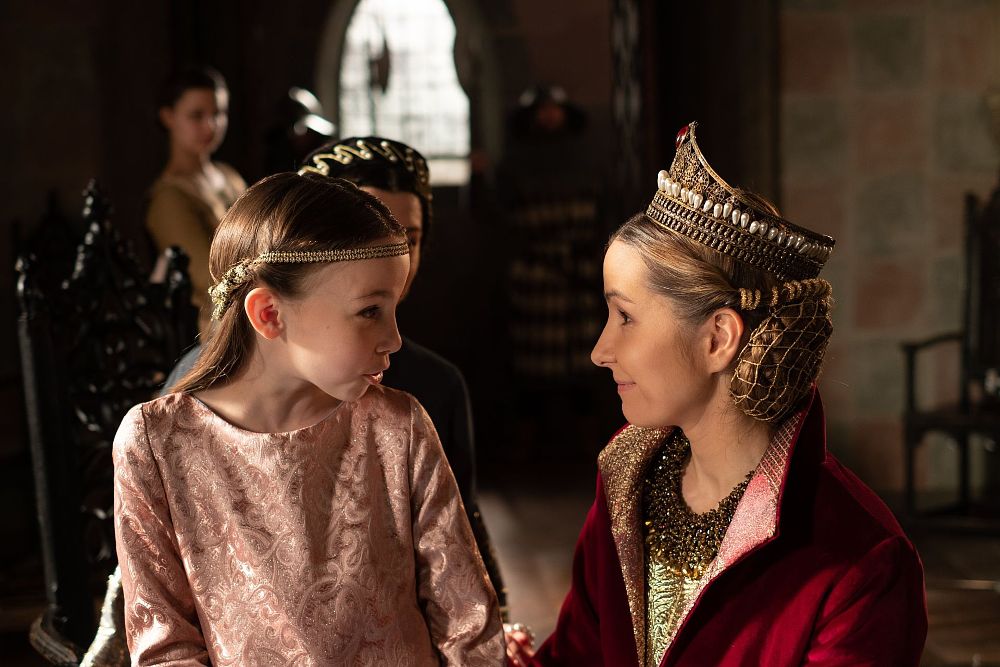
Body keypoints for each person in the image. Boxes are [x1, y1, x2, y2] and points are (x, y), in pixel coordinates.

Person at [507, 122, 927, 666]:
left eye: (625, 317)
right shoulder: (625, 485)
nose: (600, 351)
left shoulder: (861, 562)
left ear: (718, 338)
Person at [113, 172, 504, 664]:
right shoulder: (156, 443)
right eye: (370, 311)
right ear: (269, 314)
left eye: (393, 309)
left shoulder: (399, 426)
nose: (394, 338)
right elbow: (165, 647)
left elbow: (468, 625)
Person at [146, 66, 246, 332]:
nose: (210, 126)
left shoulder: (229, 176)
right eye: (196, 115)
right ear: (168, 117)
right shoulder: (169, 197)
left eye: (218, 114)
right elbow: (210, 277)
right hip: (219, 326)